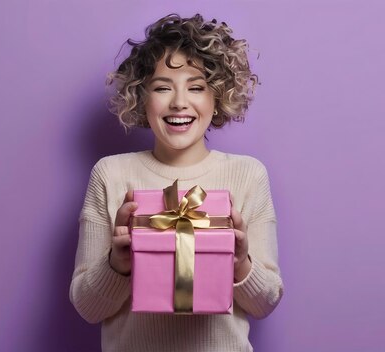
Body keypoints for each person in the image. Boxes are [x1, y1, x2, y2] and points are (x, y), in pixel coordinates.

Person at [69, 13, 283, 352]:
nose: (179, 101)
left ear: (217, 99)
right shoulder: (110, 175)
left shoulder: (248, 175)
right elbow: (87, 308)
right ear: (142, 98)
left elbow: (266, 302)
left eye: (196, 87)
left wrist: (241, 263)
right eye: (163, 87)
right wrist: (117, 264)